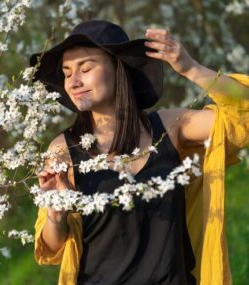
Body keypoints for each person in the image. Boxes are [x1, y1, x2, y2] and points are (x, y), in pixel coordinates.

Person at [30, 20, 249, 285]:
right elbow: (50, 247)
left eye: (86, 68)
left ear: (118, 68)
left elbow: (243, 113)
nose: (74, 81)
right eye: (66, 73)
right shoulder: (64, 150)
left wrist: (190, 68)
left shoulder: (169, 127)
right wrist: (56, 216)